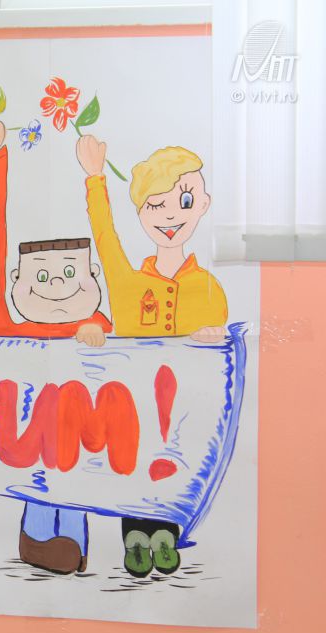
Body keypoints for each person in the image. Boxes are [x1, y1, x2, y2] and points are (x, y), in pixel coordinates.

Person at [76, 134, 228, 578]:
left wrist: (211, 335)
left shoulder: (207, 287)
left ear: (203, 204)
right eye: (156, 206)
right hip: (132, 405)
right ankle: (135, 539)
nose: (170, 216)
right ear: (142, 214)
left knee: (176, 461)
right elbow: (105, 237)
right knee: (132, 460)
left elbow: (217, 344)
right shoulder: (127, 283)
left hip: (184, 408)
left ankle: (167, 533)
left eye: (184, 201)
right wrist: (95, 178)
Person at [0, 120, 112, 574]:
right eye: (41, 276)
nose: (55, 286)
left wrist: (95, 328)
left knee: (70, 472)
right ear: (17, 280)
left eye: (70, 273)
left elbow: (111, 269)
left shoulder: (99, 323)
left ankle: (70, 538)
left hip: (81, 435)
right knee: (37, 473)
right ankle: (35, 536)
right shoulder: (8, 326)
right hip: (26, 440)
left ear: (92, 276)